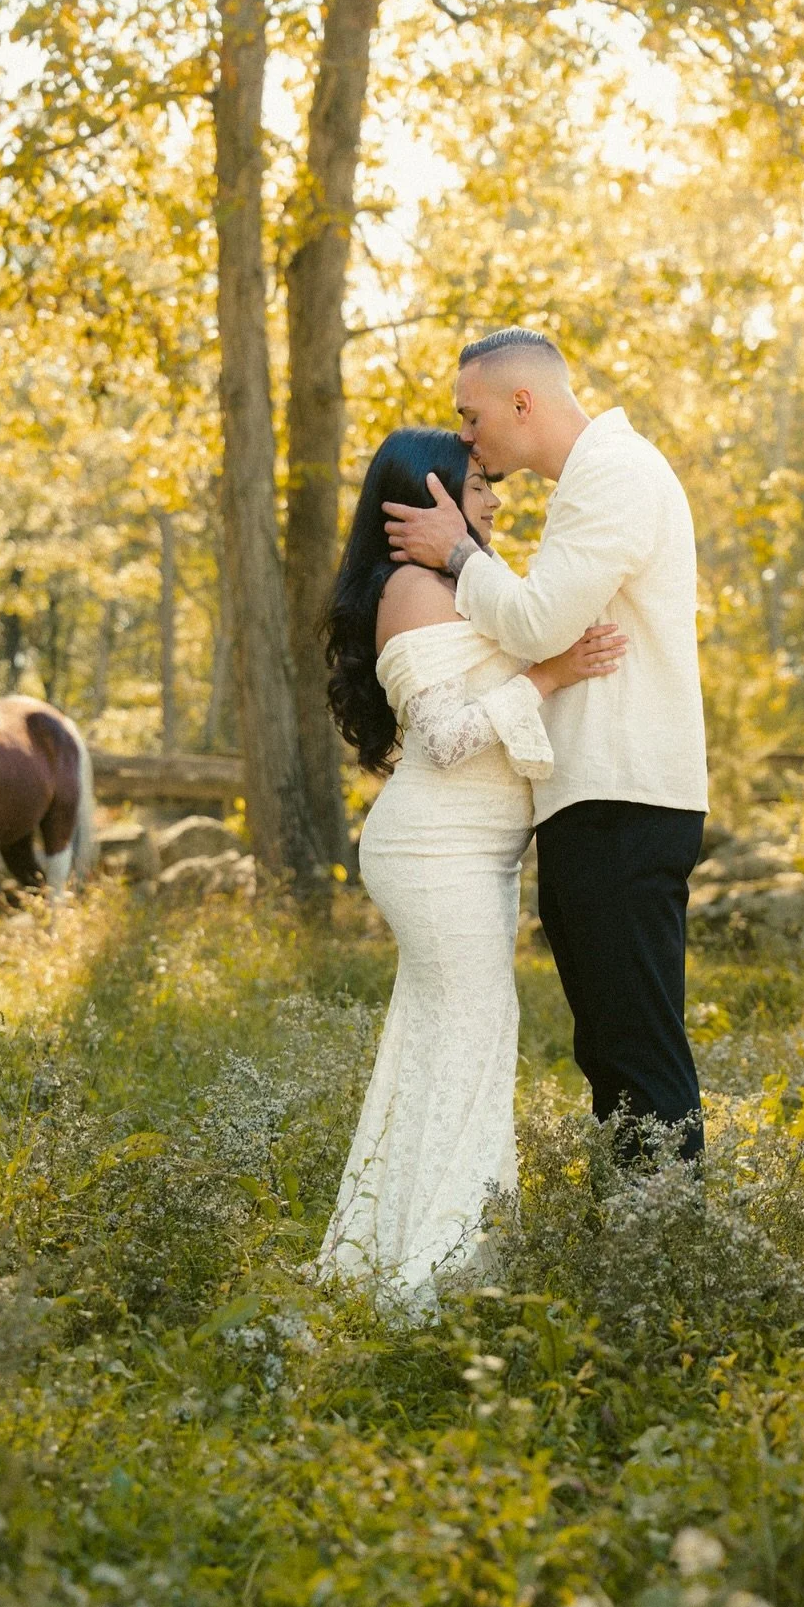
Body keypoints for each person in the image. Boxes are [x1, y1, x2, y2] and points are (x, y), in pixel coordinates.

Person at [317, 426, 625, 1305]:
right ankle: (443, 1275)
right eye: (480, 485)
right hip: (434, 850)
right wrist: (552, 675)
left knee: (441, 1041)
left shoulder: (455, 585)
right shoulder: (413, 590)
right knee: (474, 1039)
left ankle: (395, 1251)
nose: (493, 500)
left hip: (472, 855)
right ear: (431, 495)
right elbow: (447, 739)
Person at [385, 328, 709, 1163]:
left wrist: (456, 552)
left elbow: (539, 623)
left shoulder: (618, 474)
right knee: (610, 1053)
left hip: (624, 797)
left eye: (472, 413)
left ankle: (668, 1252)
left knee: (637, 1053)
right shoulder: (592, 480)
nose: (465, 435)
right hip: (596, 800)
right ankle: (641, 1245)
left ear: (521, 403)